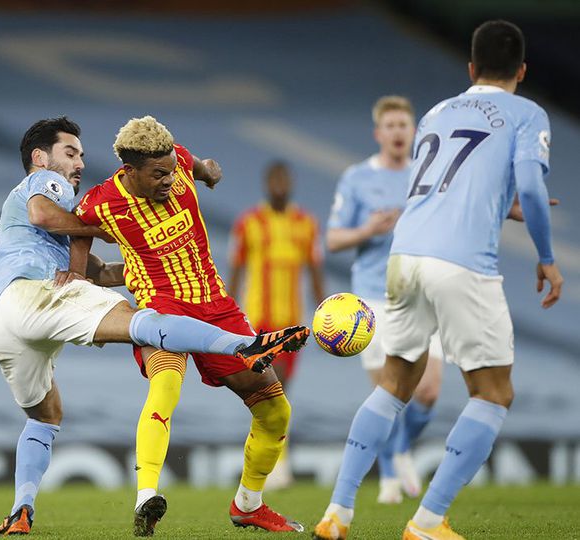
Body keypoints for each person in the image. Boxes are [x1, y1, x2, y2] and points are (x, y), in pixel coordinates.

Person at [0, 117, 310, 536]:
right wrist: (77, 274)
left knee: (275, 409)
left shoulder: (178, 162)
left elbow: (198, 165)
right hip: (160, 309)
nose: (170, 179)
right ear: (130, 171)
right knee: (166, 386)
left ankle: (248, 504)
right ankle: (146, 495)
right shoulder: (103, 200)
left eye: (173, 169)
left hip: (215, 304)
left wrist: (206, 170)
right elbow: (78, 229)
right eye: (159, 174)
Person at [313, 20, 562, 540]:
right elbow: (535, 192)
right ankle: (427, 521)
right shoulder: (527, 113)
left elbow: (451, 184)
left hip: (404, 255)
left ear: (470, 69)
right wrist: (546, 256)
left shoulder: (437, 111)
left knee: (395, 383)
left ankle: (338, 512)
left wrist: (500, 208)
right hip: (462, 261)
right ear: (521, 70)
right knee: (493, 393)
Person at [325, 96, 442, 504]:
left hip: (421, 293)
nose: (397, 132)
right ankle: (391, 471)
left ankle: (399, 450)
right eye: (389, 126)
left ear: (414, 132)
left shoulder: (429, 175)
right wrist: (368, 229)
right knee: (390, 393)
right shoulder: (357, 178)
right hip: (373, 297)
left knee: (427, 390)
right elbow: (333, 238)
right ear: (378, 133)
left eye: (403, 125)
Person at [228, 160, 325, 489]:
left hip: (292, 320)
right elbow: (236, 273)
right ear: (266, 183)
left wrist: (326, 315)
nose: (280, 184)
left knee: (279, 393)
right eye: (275, 179)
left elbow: (315, 276)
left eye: (285, 178)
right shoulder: (249, 223)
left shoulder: (306, 224)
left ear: (292, 181)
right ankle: (276, 463)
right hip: (260, 321)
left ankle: (269, 460)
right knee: (273, 388)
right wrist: (225, 317)